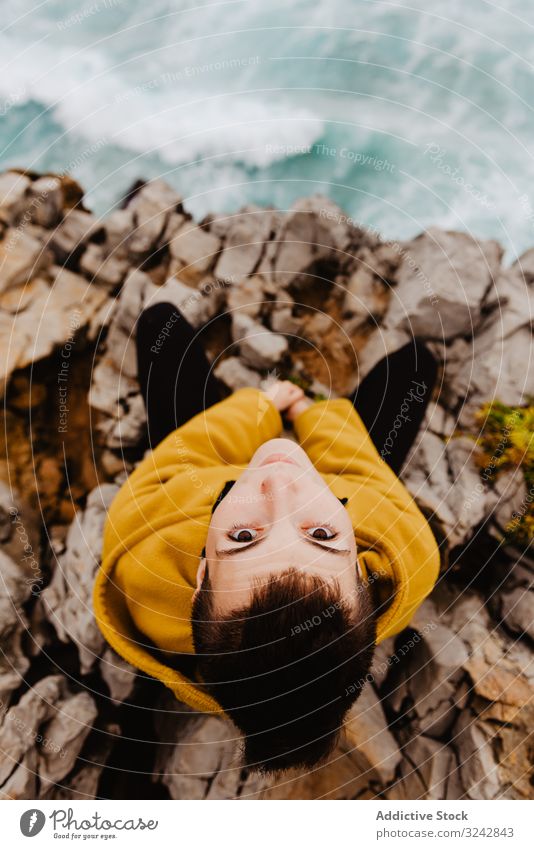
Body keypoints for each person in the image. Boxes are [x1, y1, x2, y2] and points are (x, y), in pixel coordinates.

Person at [93, 302, 440, 774]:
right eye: (320, 534)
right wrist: (307, 414)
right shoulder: (403, 553)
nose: (279, 486)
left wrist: (259, 406)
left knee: (159, 324)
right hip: (327, 481)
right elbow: (359, 470)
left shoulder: (148, 563)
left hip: (207, 475)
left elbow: (180, 459)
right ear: (360, 566)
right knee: (417, 367)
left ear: (200, 576)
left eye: (241, 537)